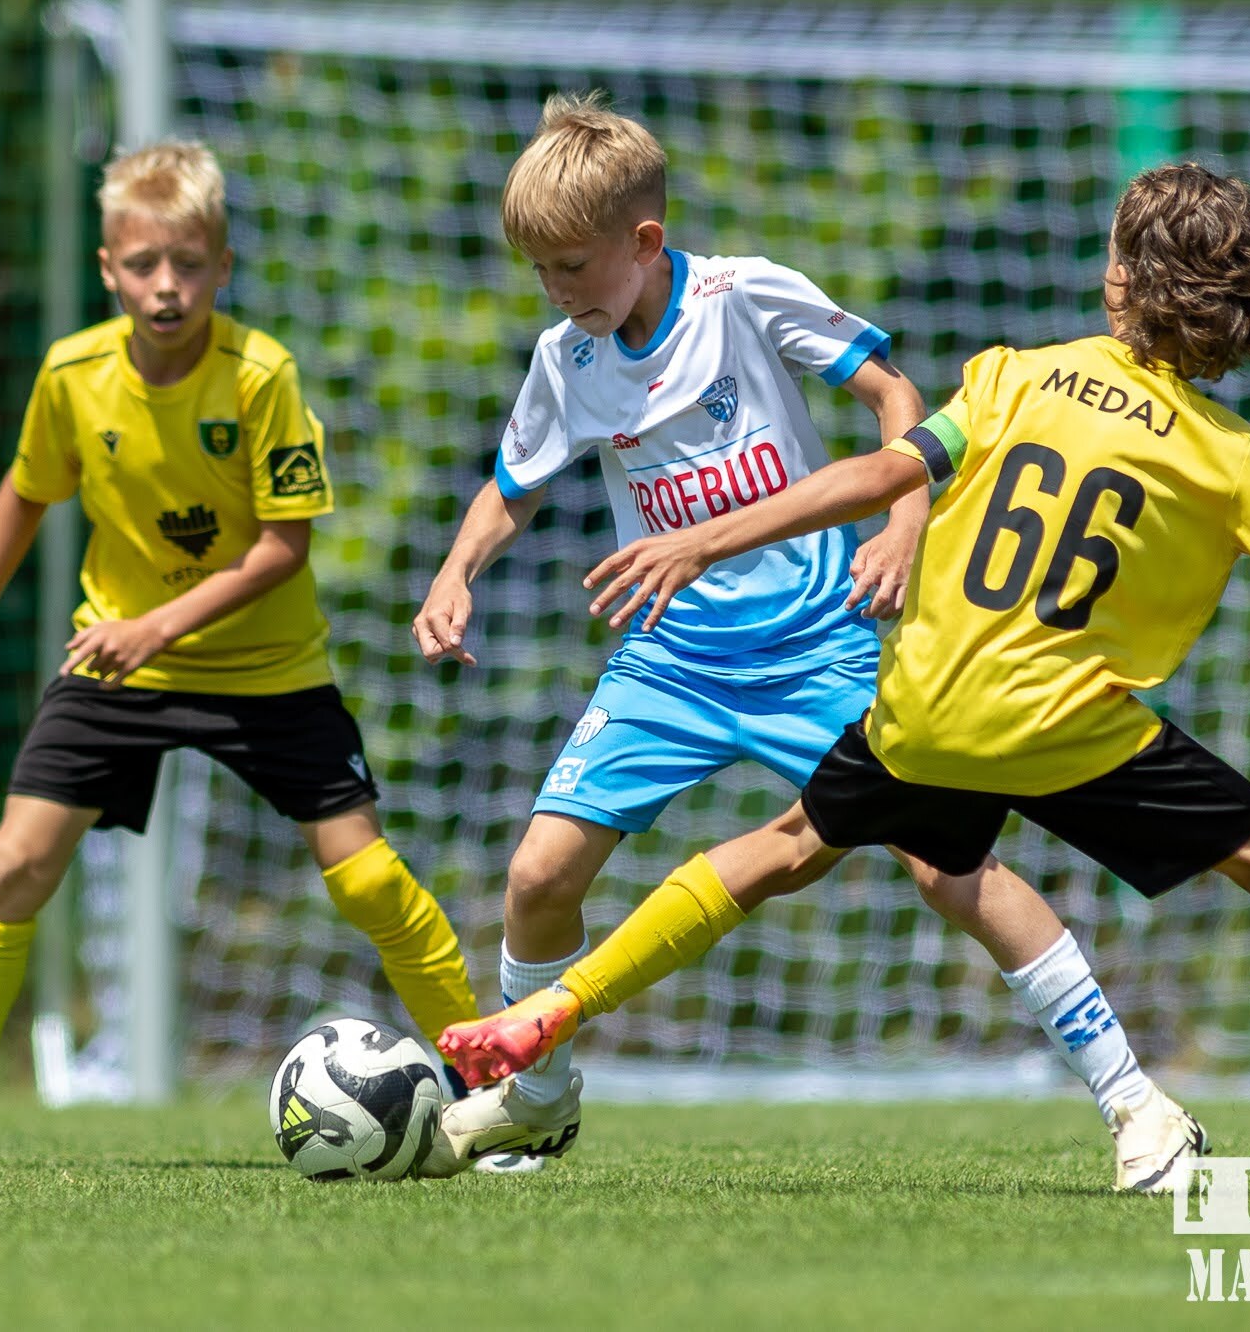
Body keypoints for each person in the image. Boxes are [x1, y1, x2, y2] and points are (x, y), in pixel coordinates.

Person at [437, 163, 1250, 1176]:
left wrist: (720, 538)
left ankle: (557, 1007)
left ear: (1119, 285)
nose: (556, 286)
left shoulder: (1013, 377)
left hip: (916, 694)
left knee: (784, 849)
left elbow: (884, 462)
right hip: (1051, 720)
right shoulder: (1227, 458)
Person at [412, 96, 1202, 1188]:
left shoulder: (742, 296)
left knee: (950, 870)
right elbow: (514, 487)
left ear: (644, 241)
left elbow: (894, 396)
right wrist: (456, 571)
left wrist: (904, 522)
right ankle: (535, 1102)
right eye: (538, 270)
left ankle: (1138, 1106)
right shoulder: (566, 357)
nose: (553, 289)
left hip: (819, 650)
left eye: (571, 265)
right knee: (539, 873)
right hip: (673, 662)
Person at [0, 140, 478, 1169]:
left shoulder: (260, 374)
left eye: (188, 264)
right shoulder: (72, 374)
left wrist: (154, 626)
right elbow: (25, 490)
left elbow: (284, 548)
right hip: (119, 665)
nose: (166, 285)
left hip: (266, 672)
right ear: (107, 267)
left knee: (369, 882)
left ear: (221, 267)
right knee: (14, 863)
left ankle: (490, 1093)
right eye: (144, 264)